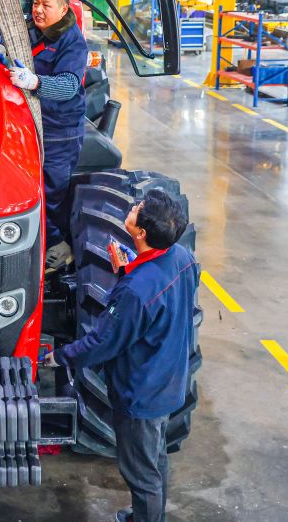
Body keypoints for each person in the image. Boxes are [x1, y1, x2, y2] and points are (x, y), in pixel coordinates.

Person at [44, 189, 197, 522]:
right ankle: (150, 514)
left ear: (140, 233)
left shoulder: (135, 292)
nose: (135, 205)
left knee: (141, 474)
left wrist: (59, 357)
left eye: (139, 208)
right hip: (168, 379)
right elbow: (161, 300)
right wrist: (129, 271)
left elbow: (102, 342)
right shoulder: (182, 258)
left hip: (141, 393)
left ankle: (146, 518)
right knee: (155, 457)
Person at [0, 0, 89, 269]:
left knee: (52, 190)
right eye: (36, 3)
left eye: (46, 6)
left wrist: (35, 82)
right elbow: (3, 32)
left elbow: (68, 85)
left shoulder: (72, 42)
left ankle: (59, 244)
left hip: (59, 129)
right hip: (28, 120)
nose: (38, 10)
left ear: (63, 10)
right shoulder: (32, 25)